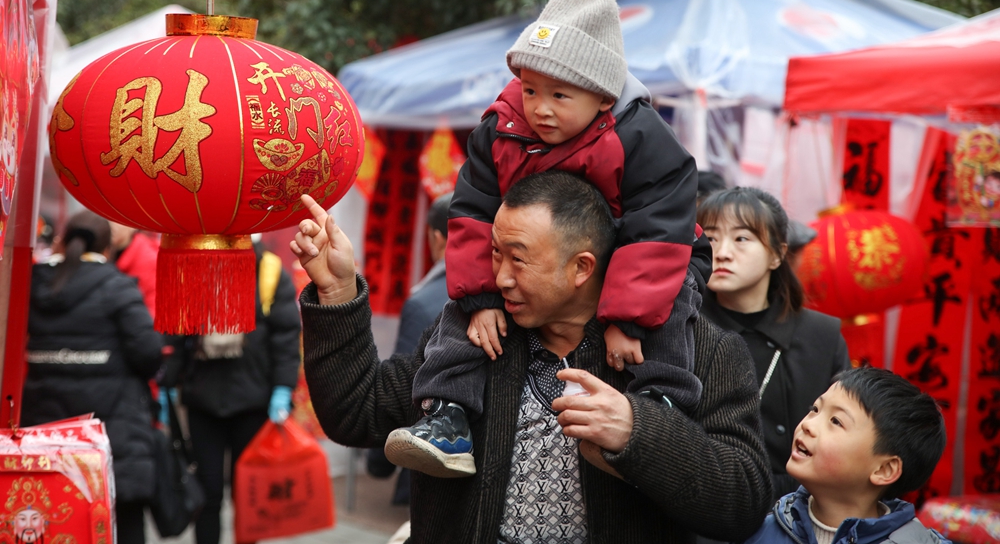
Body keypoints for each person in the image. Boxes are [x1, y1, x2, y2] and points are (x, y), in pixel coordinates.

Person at [293, 172, 772, 544]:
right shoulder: (473, 334)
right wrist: (336, 291)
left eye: (518, 259)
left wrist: (640, 432)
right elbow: (357, 412)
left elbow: (743, 500)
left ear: (582, 267)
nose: (499, 278)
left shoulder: (696, 348)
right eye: (495, 254)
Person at [391, 0, 706, 478]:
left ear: (603, 98)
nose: (539, 108)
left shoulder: (641, 135)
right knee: (465, 310)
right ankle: (447, 418)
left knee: (673, 307)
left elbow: (657, 230)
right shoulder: (500, 128)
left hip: (649, 254)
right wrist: (480, 299)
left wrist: (629, 319)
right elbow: (471, 210)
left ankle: (658, 412)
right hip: (545, 256)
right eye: (530, 88)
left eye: (560, 96)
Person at [698, 187, 851, 499]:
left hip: (799, 506)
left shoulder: (821, 335)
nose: (722, 252)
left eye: (741, 239)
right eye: (711, 238)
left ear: (777, 254)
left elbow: (846, 429)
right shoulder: (682, 328)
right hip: (702, 504)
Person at [22, 211, 163, 544]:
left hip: (47, 430)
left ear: (64, 239)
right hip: (113, 435)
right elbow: (149, 353)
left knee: (58, 522)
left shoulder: (35, 283)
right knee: (125, 524)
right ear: (107, 245)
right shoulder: (117, 286)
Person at [161, 242, 301, 544]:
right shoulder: (196, 265)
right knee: (207, 493)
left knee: (248, 494)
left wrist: (283, 388)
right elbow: (177, 330)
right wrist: (166, 385)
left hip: (254, 402)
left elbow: (286, 338)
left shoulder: (269, 270)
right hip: (203, 401)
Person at [742, 367, 950, 544]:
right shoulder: (757, 533)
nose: (807, 424)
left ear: (884, 470)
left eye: (836, 421)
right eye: (815, 409)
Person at [368, 192, 454, 504]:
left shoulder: (423, 302)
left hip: (428, 455)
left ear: (436, 238)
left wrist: (379, 462)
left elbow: (405, 387)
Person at [110, 222, 159, 317]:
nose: (112, 225)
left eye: (118, 221)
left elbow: (152, 312)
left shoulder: (148, 260)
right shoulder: (103, 252)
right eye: (108, 219)